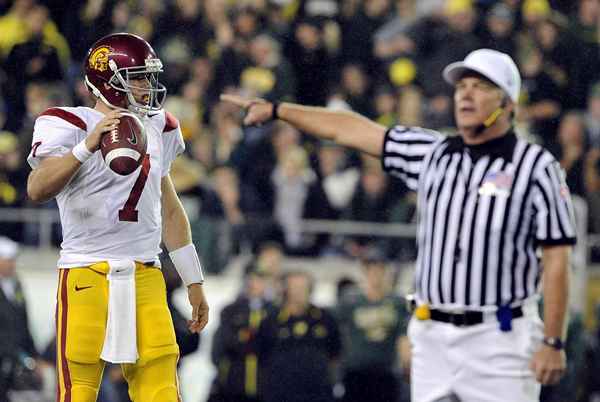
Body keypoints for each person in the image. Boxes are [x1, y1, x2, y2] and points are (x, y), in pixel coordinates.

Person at [221, 48, 576, 402]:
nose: (466, 94)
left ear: (509, 102)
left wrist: (553, 340)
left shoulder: (536, 166)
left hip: (499, 337)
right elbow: (350, 130)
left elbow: (557, 258)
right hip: (433, 333)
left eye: (481, 86)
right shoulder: (433, 153)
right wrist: (280, 111)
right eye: (462, 86)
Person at [26, 33, 209, 402]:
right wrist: (86, 146)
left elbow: (169, 208)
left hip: (146, 271)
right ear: (107, 81)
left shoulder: (161, 126)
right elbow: (37, 188)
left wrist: (193, 279)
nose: (147, 87)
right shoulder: (67, 123)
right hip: (85, 271)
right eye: (139, 77)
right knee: (77, 390)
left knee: (161, 384)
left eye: (148, 76)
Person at [256, 270, 341, 402]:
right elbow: (261, 355)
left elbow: (335, 353)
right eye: (296, 288)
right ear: (286, 290)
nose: (300, 292)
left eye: (304, 288)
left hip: (317, 392)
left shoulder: (324, 318)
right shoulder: (271, 321)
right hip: (280, 393)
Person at [335, 252, 409, 402]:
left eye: (380, 269)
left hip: (385, 371)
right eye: (371, 270)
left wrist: (406, 364)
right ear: (365, 272)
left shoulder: (398, 302)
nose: (376, 274)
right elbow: (336, 331)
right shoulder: (350, 301)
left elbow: (404, 337)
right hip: (356, 371)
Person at [208, 262, 275, 402]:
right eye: (252, 278)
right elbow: (222, 347)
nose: (255, 283)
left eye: (261, 279)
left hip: (265, 386)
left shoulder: (275, 312)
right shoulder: (230, 311)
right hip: (233, 385)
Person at [0, 237, 42, 402]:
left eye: (12, 260)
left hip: (15, 360)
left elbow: (24, 324)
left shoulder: (17, 285)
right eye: (8, 260)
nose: (12, 264)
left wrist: (34, 356)